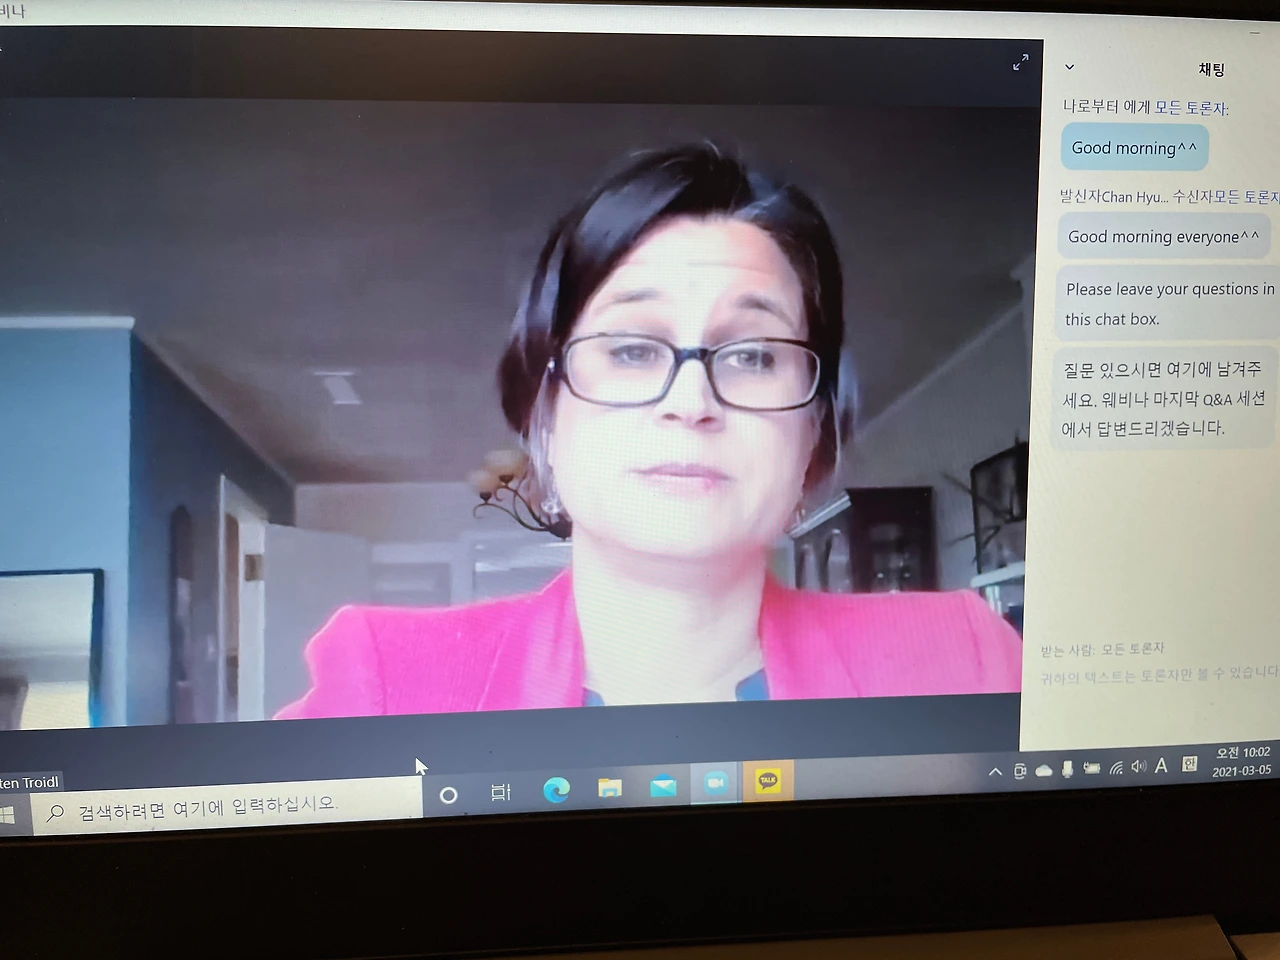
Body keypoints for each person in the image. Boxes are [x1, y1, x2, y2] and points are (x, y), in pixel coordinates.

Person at [276, 143, 1021, 719]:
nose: (691, 402)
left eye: (754, 355)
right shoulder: (384, 680)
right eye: (632, 349)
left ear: (813, 428)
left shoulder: (962, 661)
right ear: (545, 415)